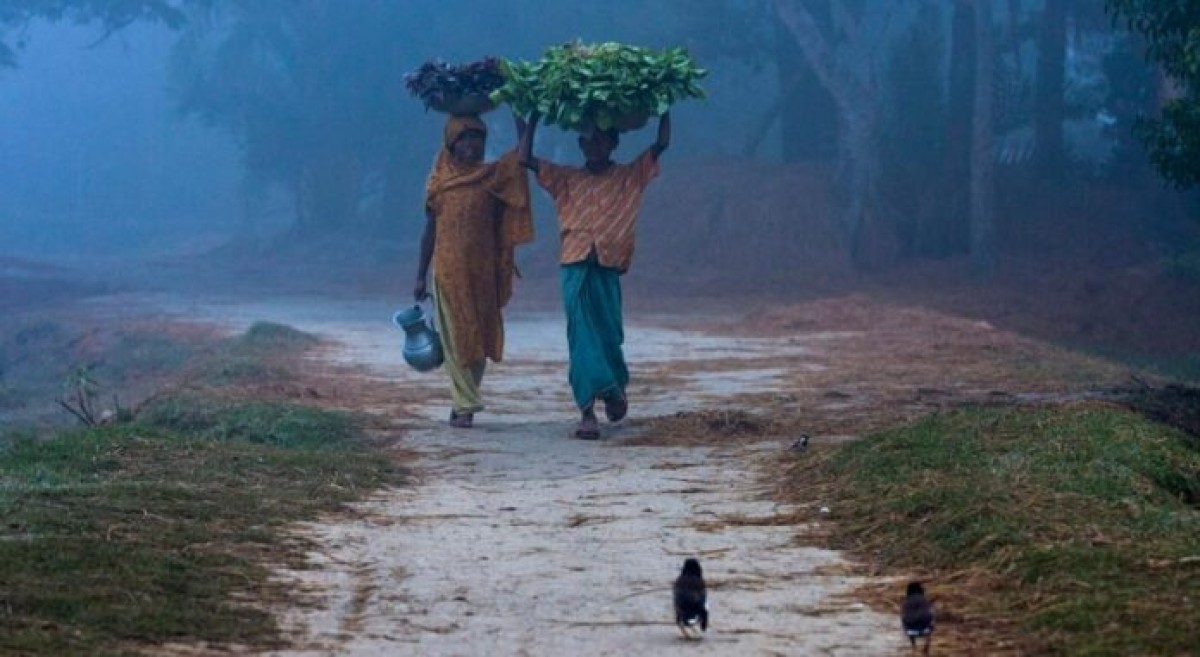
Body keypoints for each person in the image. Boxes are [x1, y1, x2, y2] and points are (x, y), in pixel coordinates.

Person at [519, 112, 670, 439]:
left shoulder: (629, 176)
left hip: (608, 264)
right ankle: (587, 411)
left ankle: (614, 388)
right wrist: (528, 117)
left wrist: (663, 106)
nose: (594, 147)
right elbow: (525, 158)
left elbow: (661, 144)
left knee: (608, 334)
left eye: (601, 140)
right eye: (588, 141)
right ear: (581, 144)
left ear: (613, 143)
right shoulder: (566, 178)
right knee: (581, 336)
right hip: (574, 263)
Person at [414, 114, 534, 428]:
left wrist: (522, 114)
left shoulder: (492, 177)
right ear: (451, 144)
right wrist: (419, 275)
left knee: (477, 338)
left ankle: (463, 397)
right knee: (454, 339)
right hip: (448, 273)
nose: (471, 145)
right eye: (464, 138)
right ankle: (465, 405)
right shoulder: (439, 184)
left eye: (477, 138)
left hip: (484, 274)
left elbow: (522, 157)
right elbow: (430, 231)